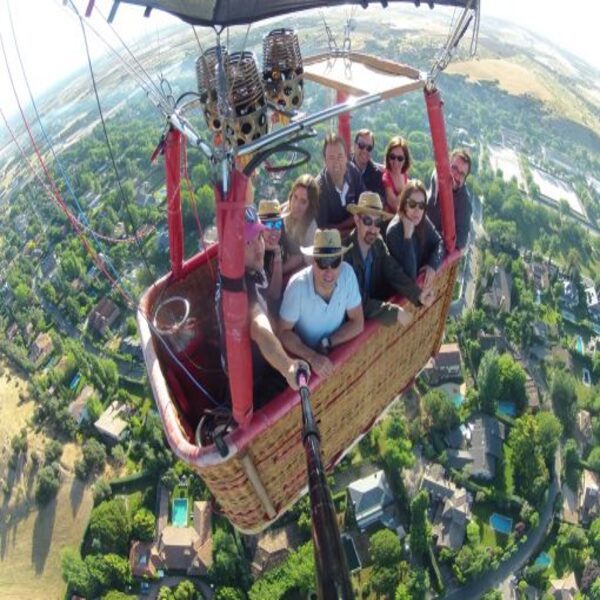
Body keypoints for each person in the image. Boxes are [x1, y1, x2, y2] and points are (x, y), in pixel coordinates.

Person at [216, 206, 308, 405]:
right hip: (253, 378)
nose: (258, 246)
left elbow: (270, 297)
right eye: (247, 243)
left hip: (255, 360)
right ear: (234, 250)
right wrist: (287, 366)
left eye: (258, 237)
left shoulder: (246, 266)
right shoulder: (241, 287)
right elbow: (258, 327)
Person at [279, 229, 364, 379]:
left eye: (335, 261)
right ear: (312, 261)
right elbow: (283, 332)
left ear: (342, 259)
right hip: (308, 365)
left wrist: (328, 343)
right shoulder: (296, 287)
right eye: (323, 262)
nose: (329, 271)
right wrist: (312, 357)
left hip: (337, 354)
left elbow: (358, 322)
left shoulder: (347, 274)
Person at [345, 192, 434, 326]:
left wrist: (418, 295)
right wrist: (394, 312)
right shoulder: (345, 257)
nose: (373, 229)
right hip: (350, 322)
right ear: (357, 220)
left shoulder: (377, 244)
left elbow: (394, 272)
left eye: (377, 222)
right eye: (368, 221)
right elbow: (358, 302)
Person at [386, 180, 445, 289]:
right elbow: (410, 277)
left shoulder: (422, 219)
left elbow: (440, 242)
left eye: (422, 205)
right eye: (412, 204)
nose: (417, 210)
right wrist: (407, 237)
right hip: (398, 295)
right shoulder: (393, 232)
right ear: (404, 205)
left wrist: (433, 264)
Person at [258, 199, 303, 307]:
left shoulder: (283, 236)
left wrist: (280, 268)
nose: (274, 231)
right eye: (268, 225)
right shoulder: (256, 251)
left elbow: (299, 256)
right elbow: (274, 295)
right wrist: (277, 254)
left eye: (277, 224)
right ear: (259, 229)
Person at [315, 133, 365, 231]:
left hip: (357, 233)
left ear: (346, 157)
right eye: (331, 158)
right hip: (332, 242)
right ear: (325, 161)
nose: (336, 162)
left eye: (340, 156)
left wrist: (340, 226)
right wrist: (352, 223)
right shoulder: (319, 188)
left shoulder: (353, 172)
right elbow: (323, 230)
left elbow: (364, 209)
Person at [426, 148, 473, 250]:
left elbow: (461, 241)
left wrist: (438, 237)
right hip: (419, 226)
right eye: (454, 168)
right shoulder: (437, 177)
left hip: (435, 246)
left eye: (462, 174)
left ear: (465, 179)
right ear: (448, 165)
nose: (456, 175)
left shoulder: (464, 203)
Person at [281, 174, 319, 250]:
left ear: (310, 206)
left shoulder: (311, 229)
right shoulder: (284, 212)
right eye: (295, 197)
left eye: (303, 202)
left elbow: (309, 260)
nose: (296, 205)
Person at [382, 136, 412, 214]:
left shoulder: (404, 175)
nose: (396, 162)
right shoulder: (386, 178)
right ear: (388, 157)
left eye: (400, 158)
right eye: (392, 157)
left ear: (405, 160)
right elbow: (395, 206)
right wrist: (408, 188)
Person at [351, 129, 385, 199]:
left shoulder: (377, 175)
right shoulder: (344, 170)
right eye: (361, 145)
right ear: (354, 146)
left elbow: (379, 202)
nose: (364, 151)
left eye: (369, 148)